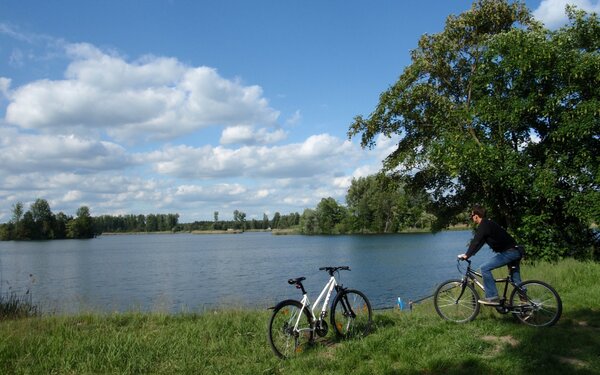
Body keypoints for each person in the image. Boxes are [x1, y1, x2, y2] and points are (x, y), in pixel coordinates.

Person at [458, 206, 523, 305]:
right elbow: (479, 244)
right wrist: (468, 255)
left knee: (484, 268)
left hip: (510, 252)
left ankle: (493, 297)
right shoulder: (488, 224)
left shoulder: (484, 225)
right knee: (516, 280)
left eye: (471, 215)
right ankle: (526, 304)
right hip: (516, 251)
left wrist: (466, 255)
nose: (471, 218)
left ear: (476, 216)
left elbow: (475, 241)